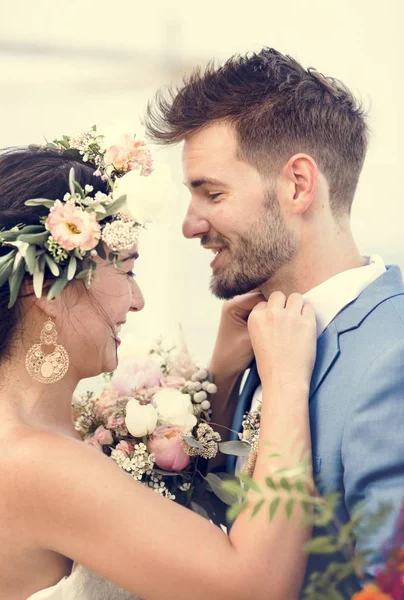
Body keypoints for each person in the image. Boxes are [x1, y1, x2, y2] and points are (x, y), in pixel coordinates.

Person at [0, 135, 317, 600]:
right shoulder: (34, 461)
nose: (138, 301)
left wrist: (219, 374)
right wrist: (287, 384)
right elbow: (254, 588)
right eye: (127, 270)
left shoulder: (24, 435)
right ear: (48, 292)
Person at [145, 46, 404, 591]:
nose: (191, 225)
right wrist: (218, 378)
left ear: (297, 185)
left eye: (211, 193)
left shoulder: (393, 356)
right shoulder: (262, 338)